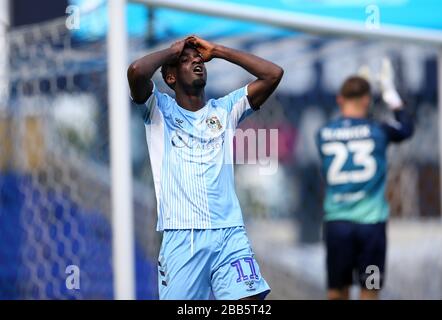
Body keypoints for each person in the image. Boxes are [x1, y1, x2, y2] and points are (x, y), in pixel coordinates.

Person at [127, 35, 283, 300]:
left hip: (229, 233)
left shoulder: (225, 109)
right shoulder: (158, 111)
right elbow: (136, 71)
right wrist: (171, 51)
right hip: (183, 237)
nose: (196, 61)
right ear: (171, 78)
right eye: (185, 61)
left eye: (198, 58)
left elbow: (273, 74)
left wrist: (219, 50)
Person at [315, 60, 414, 300]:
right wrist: (390, 95)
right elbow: (406, 128)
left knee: (337, 291)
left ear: (340, 100)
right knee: (369, 288)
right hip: (372, 227)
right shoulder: (379, 130)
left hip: (338, 224)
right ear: (368, 100)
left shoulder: (324, 132)